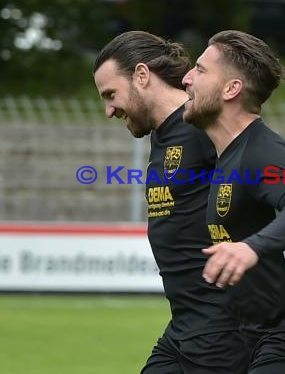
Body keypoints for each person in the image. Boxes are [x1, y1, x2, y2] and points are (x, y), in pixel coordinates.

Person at [182, 30, 285, 374]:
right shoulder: (234, 153)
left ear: (231, 89)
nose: (187, 79)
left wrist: (250, 248)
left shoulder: (259, 152)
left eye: (199, 70)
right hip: (253, 339)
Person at [93, 31, 249, 374]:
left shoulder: (204, 126)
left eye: (111, 94)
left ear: (142, 76)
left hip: (223, 331)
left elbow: (281, 172)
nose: (108, 110)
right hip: (184, 328)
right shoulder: (164, 134)